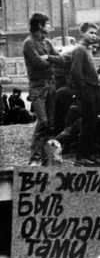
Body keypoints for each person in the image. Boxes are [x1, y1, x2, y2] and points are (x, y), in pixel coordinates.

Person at [23, 13, 65, 165]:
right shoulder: (29, 43)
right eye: (47, 24)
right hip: (38, 86)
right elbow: (37, 63)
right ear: (40, 26)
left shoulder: (47, 43)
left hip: (51, 84)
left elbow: (62, 60)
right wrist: (51, 59)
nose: (49, 27)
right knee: (43, 121)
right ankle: (34, 158)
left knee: (50, 123)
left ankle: (46, 157)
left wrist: (48, 58)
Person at [70, 22, 100, 165]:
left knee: (92, 124)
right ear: (82, 33)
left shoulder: (87, 49)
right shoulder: (79, 49)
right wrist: (83, 90)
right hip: (86, 91)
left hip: (92, 90)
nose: (94, 36)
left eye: (95, 33)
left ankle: (87, 155)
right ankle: (81, 157)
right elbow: (75, 72)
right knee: (87, 124)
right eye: (91, 32)